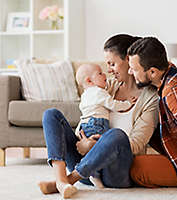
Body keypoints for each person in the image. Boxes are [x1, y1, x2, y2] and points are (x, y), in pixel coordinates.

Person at [38, 34, 159, 199]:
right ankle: (61, 181)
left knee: (116, 135)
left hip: (115, 173)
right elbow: (88, 114)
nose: (108, 70)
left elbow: (136, 144)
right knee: (51, 115)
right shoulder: (106, 85)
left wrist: (95, 146)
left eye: (112, 64)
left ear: (129, 61)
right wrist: (84, 141)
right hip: (87, 168)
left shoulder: (150, 98)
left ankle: (70, 179)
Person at [127, 37, 177, 190]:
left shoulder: (175, 91)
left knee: (137, 169)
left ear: (153, 72)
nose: (129, 72)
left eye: (134, 69)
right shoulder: (166, 78)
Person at [75, 63, 136, 187]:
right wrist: (128, 103)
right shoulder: (98, 92)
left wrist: (78, 131)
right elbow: (113, 104)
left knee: (92, 150)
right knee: (100, 149)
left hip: (85, 125)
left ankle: (89, 171)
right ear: (89, 80)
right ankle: (94, 174)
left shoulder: (85, 96)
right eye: (100, 73)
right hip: (97, 124)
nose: (105, 75)